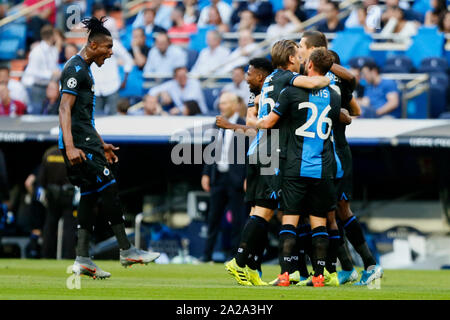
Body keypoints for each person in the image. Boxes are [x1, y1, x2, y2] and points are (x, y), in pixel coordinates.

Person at [58, 16, 160, 279]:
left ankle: (82, 259)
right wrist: (70, 146)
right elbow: (64, 108)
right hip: (78, 144)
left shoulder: (86, 69)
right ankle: (126, 250)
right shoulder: (75, 69)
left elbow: (84, 118)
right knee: (108, 185)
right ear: (93, 45)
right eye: (108, 47)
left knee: (91, 193)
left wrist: (101, 144)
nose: (111, 52)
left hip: (87, 142)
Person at [223, 40, 330, 286]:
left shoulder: (269, 80)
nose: (302, 60)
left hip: (260, 147)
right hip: (272, 148)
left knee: (260, 210)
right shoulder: (286, 77)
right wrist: (328, 76)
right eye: (298, 56)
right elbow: (315, 82)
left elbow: (259, 104)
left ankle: (251, 267)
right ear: (291, 59)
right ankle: (239, 262)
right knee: (266, 210)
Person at [296, 31, 383, 286]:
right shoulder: (312, 74)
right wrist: (342, 111)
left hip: (336, 150)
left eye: (303, 45)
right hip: (324, 150)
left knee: (341, 210)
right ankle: (347, 268)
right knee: (329, 212)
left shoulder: (330, 73)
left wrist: (339, 113)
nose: (300, 49)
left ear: (315, 49)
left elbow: (352, 104)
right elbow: (354, 109)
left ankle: (369, 264)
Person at [256, 48, 341, 288]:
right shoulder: (334, 96)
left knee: (289, 222)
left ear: (310, 65)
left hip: (295, 167)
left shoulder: (291, 92)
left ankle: (285, 275)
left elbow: (269, 123)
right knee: (319, 224)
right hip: (323, 168)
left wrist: (250, 120)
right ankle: (320, 276)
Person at [200, 92, 248, 262]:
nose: (222, 106)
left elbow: (250, 155)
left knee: (238, 220)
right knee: (213, 218)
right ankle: (206, 255)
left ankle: (235, 257)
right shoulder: (217, 124)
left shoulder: (244, 125)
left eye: (225, 103)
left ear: (234, 105)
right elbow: (211, 150)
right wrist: (206, 173)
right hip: (218, 177)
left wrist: (247, 177)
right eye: (221, 103)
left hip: (236, 179)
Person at [38, 145, 77, 259]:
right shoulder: (73, 152)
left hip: (52, 194)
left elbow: (41, 178)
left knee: (49, 226)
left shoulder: (49, 153)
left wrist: (43, 192)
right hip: (68, 195)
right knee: (69, 227)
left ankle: (46, 255)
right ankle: (68, 256)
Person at [21, 24, 60, 114]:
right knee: (36, 110)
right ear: (52, 36)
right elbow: (34, 72)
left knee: (45, 111)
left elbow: (53, 67)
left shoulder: (53, 50)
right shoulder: (37, 51)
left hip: (46, 86)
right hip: (35, 86)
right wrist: (51, 74)